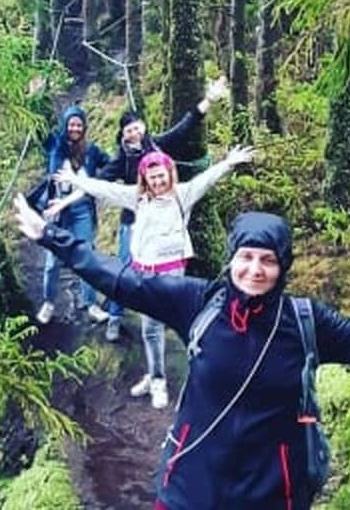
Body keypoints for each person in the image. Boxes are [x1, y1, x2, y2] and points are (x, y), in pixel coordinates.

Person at [13, 199, 350, 510]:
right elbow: (120, 279)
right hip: (193, 480)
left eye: (268, 259)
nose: (255, 269)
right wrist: (50, 238)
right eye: (246, 256)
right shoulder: (198, 302)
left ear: (283, 265)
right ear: (231, 259)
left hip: (273, 487)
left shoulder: (307, 323)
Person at [49, 145, 254, 409]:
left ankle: (190, 382)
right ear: (144, 179)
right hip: (144, 271)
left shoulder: (183, 195)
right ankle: (156, 378)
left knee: (175, 324)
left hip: (172, 272)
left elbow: (207, 178)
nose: (158, 182)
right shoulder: (137, 198)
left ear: (170, 174)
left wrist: (229, 162)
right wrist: (75, 180)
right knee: (151, 328)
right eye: (152, 177)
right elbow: (104, 188)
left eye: (162, 176)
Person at [95, 76, 229, 342]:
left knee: (166, 276)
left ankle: (160, 318)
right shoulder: (121, 159)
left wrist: (209, 100)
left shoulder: (158, 145)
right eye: (128, 130)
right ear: (122, 135)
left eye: (136, 128)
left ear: (143, 127)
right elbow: (100, 183)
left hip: (163, 225)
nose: (134, 133)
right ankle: (114, 317)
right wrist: (73, 191)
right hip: (133, 224)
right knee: (124, 272)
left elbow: (185, 126)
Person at [36, 103, 109, 325]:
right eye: (71, 124)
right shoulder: (55, 146)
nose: (75, 128)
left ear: (84, 127)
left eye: (79, 124)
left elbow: (112, 165)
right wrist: (37, 98)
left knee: (86, 255)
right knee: (53, 261)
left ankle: (90, 303)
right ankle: (48, 302)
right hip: (57, 212)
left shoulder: (92, 151)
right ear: (65, 125)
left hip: (82, 210)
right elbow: (38, 128)